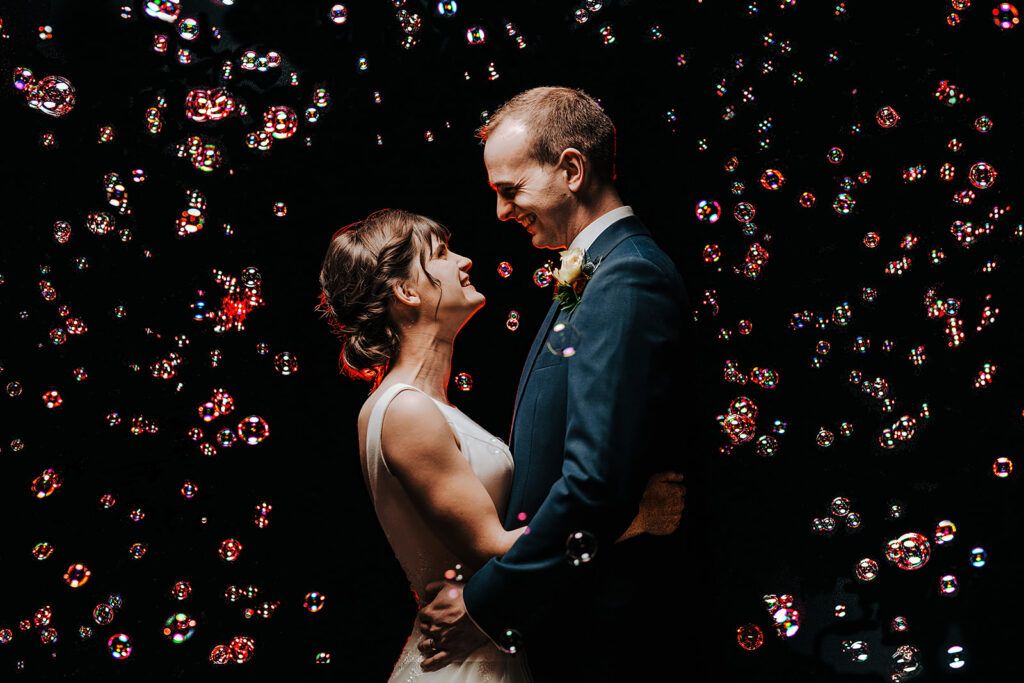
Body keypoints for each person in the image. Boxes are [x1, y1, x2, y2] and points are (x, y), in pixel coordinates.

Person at [317, 208, 685, 681]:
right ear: (407, 292)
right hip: (465, 661)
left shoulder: (419, 405)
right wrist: (636, 519)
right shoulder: (405, 410)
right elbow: (495, 549)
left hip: (487, 643)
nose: (465, 260)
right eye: (443, 254)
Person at [416, 87, 694, 680]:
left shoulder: (628, 277)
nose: (500, 213)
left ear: (571, 169)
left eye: (509, 190)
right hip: (570, 614)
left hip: (606, 626)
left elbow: (595, 481)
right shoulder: (599, 272)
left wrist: (487, 603)